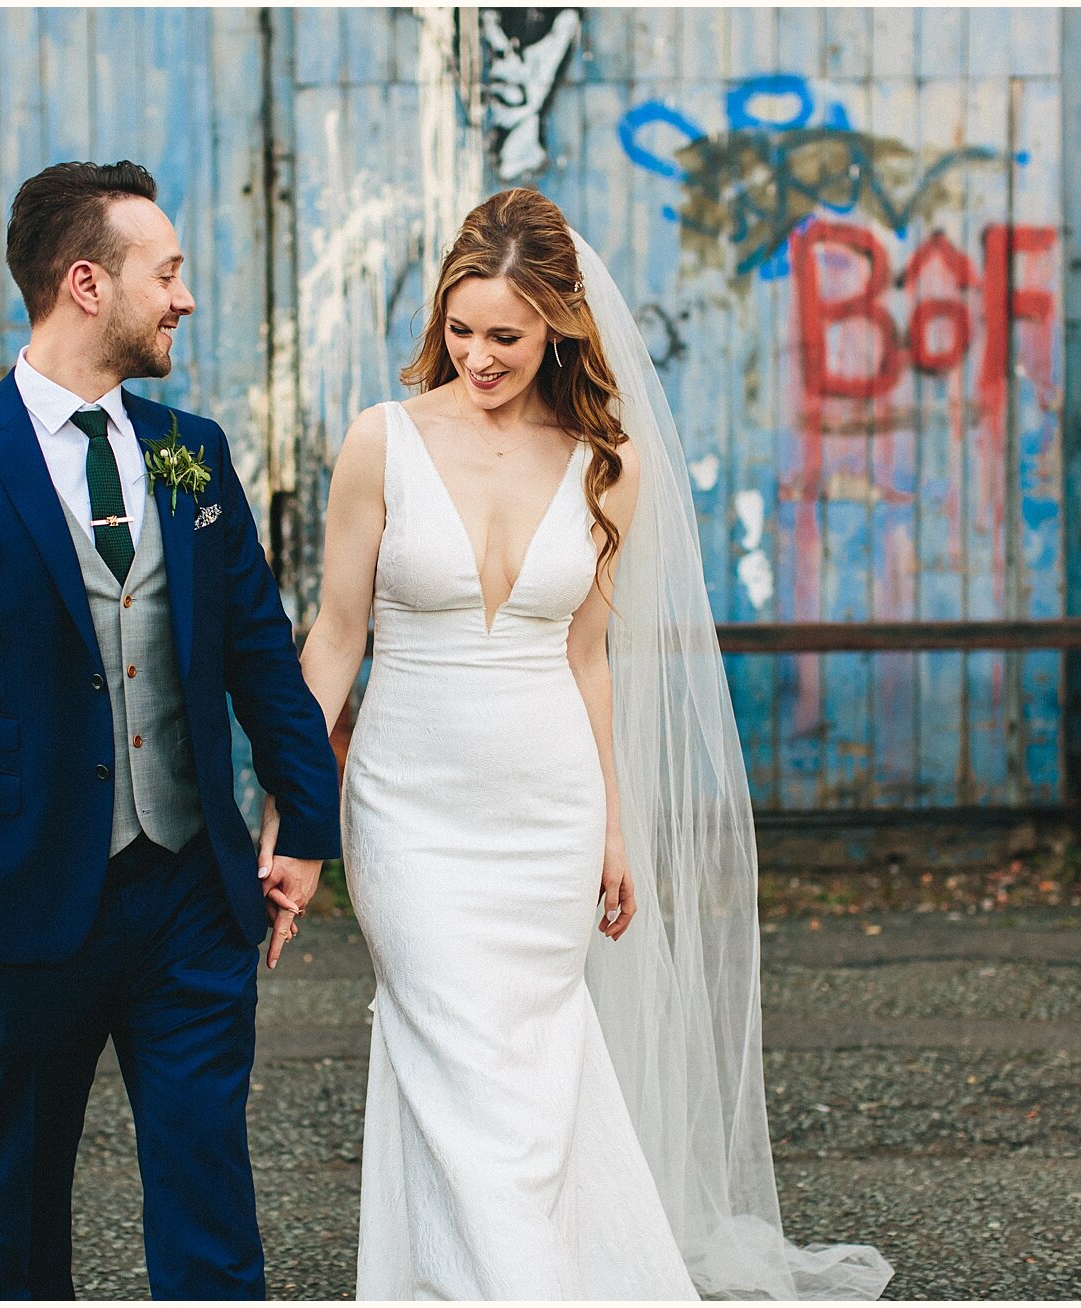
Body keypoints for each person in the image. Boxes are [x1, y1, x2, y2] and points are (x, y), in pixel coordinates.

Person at [292, 188, 895, 1299]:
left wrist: (612, 823)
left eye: (507, 336)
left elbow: (588, 659)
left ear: (559, 329)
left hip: (549, 811)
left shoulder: (603, 462)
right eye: (462, 330)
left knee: (527, 1076)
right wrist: (285, 809)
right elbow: (333, 640)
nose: (480, 355)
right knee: (453, 1057)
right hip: (407, 810)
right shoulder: (381, 442)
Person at [0, 160, 339, 1299]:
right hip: (22, 893)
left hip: (190, 891)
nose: (181, 297)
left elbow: (259, 654)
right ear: (86, 283)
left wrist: (304, 826)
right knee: (24, 1183)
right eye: (164, 273)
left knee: (208, 1186)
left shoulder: (192, 448)